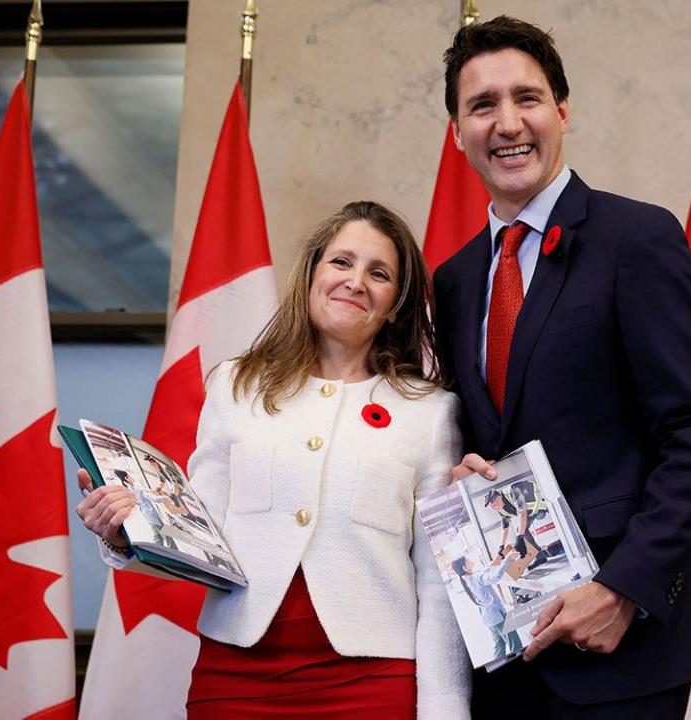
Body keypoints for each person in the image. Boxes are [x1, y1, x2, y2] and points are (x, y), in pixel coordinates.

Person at [432, 16, 691, 719]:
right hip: (504, 655)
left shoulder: (639, 238)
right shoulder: (452, 279)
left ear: (562, 111)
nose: (507, 123)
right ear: (456, 131)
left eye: (527, 98)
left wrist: (622, 588)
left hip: (620, 647)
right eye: (482, 106)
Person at [76, 201, 471, 719]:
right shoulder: (235, 385)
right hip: (236, 677)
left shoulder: (432, 412)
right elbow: (202, 534)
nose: (355, 281)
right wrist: (127, 529)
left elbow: (439, 580)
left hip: (371, 684)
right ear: (311, 275)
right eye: (341, 262)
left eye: (379, 274)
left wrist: (445, 707)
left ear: (396, 303)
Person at [451, 552, 522, 660]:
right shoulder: (476, 577)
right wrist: (507, 559)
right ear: (465, 567)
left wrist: (493, 563)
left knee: (499, 647)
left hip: (489, 619)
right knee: (515, 645)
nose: (470, 560)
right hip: (498, 618)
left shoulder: (466, 580)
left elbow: (482, 573)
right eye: (467, 560)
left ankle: (496, 666)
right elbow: (495, 577)